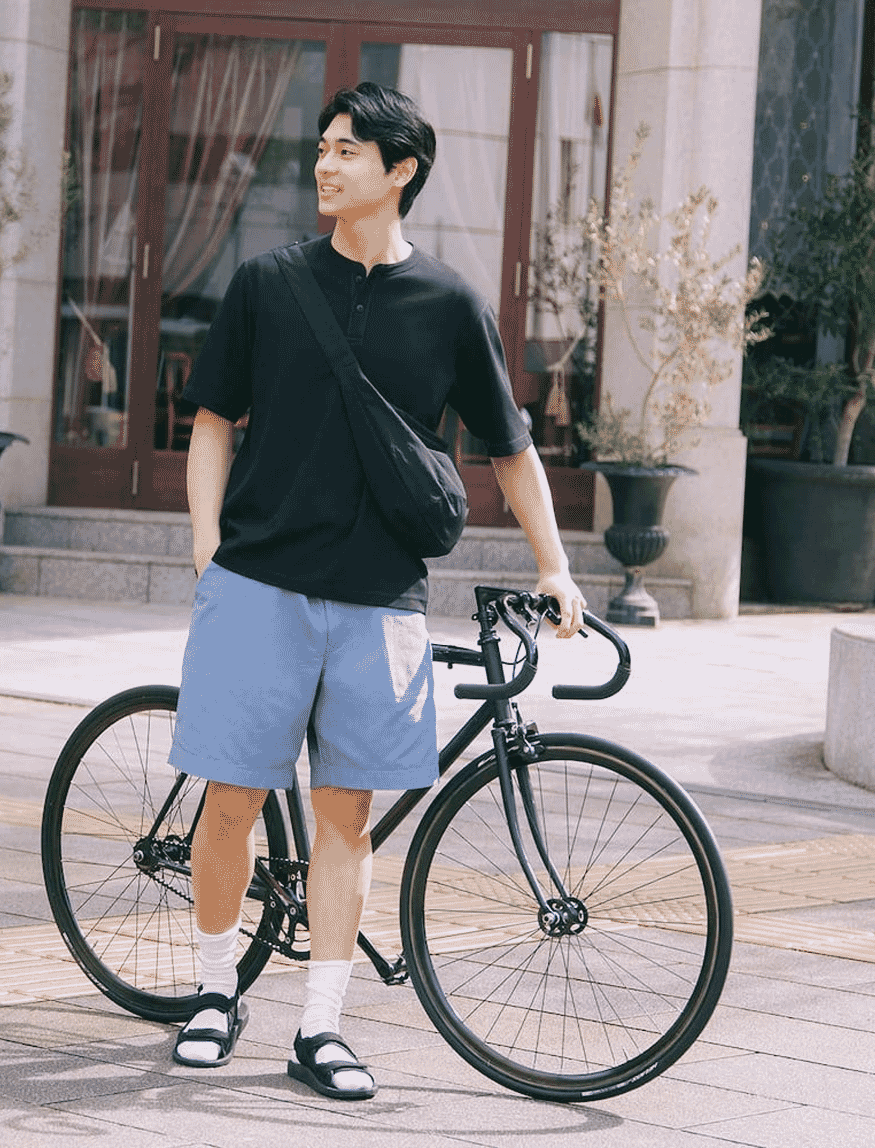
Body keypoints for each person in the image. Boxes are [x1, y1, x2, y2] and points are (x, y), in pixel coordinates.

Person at [168, 81, 588, 1101]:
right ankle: (215, 990)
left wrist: (554, 562)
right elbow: (213, 419)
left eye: (347, 150)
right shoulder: (267, 284)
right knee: (229, 802)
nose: (325, 163)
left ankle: (319, 1026)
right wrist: (207, 546)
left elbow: (511, 447)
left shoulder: (449, 304)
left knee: (346, 816)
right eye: (322, 147)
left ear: (400, 171)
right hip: (259, 580)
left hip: (379, 596)